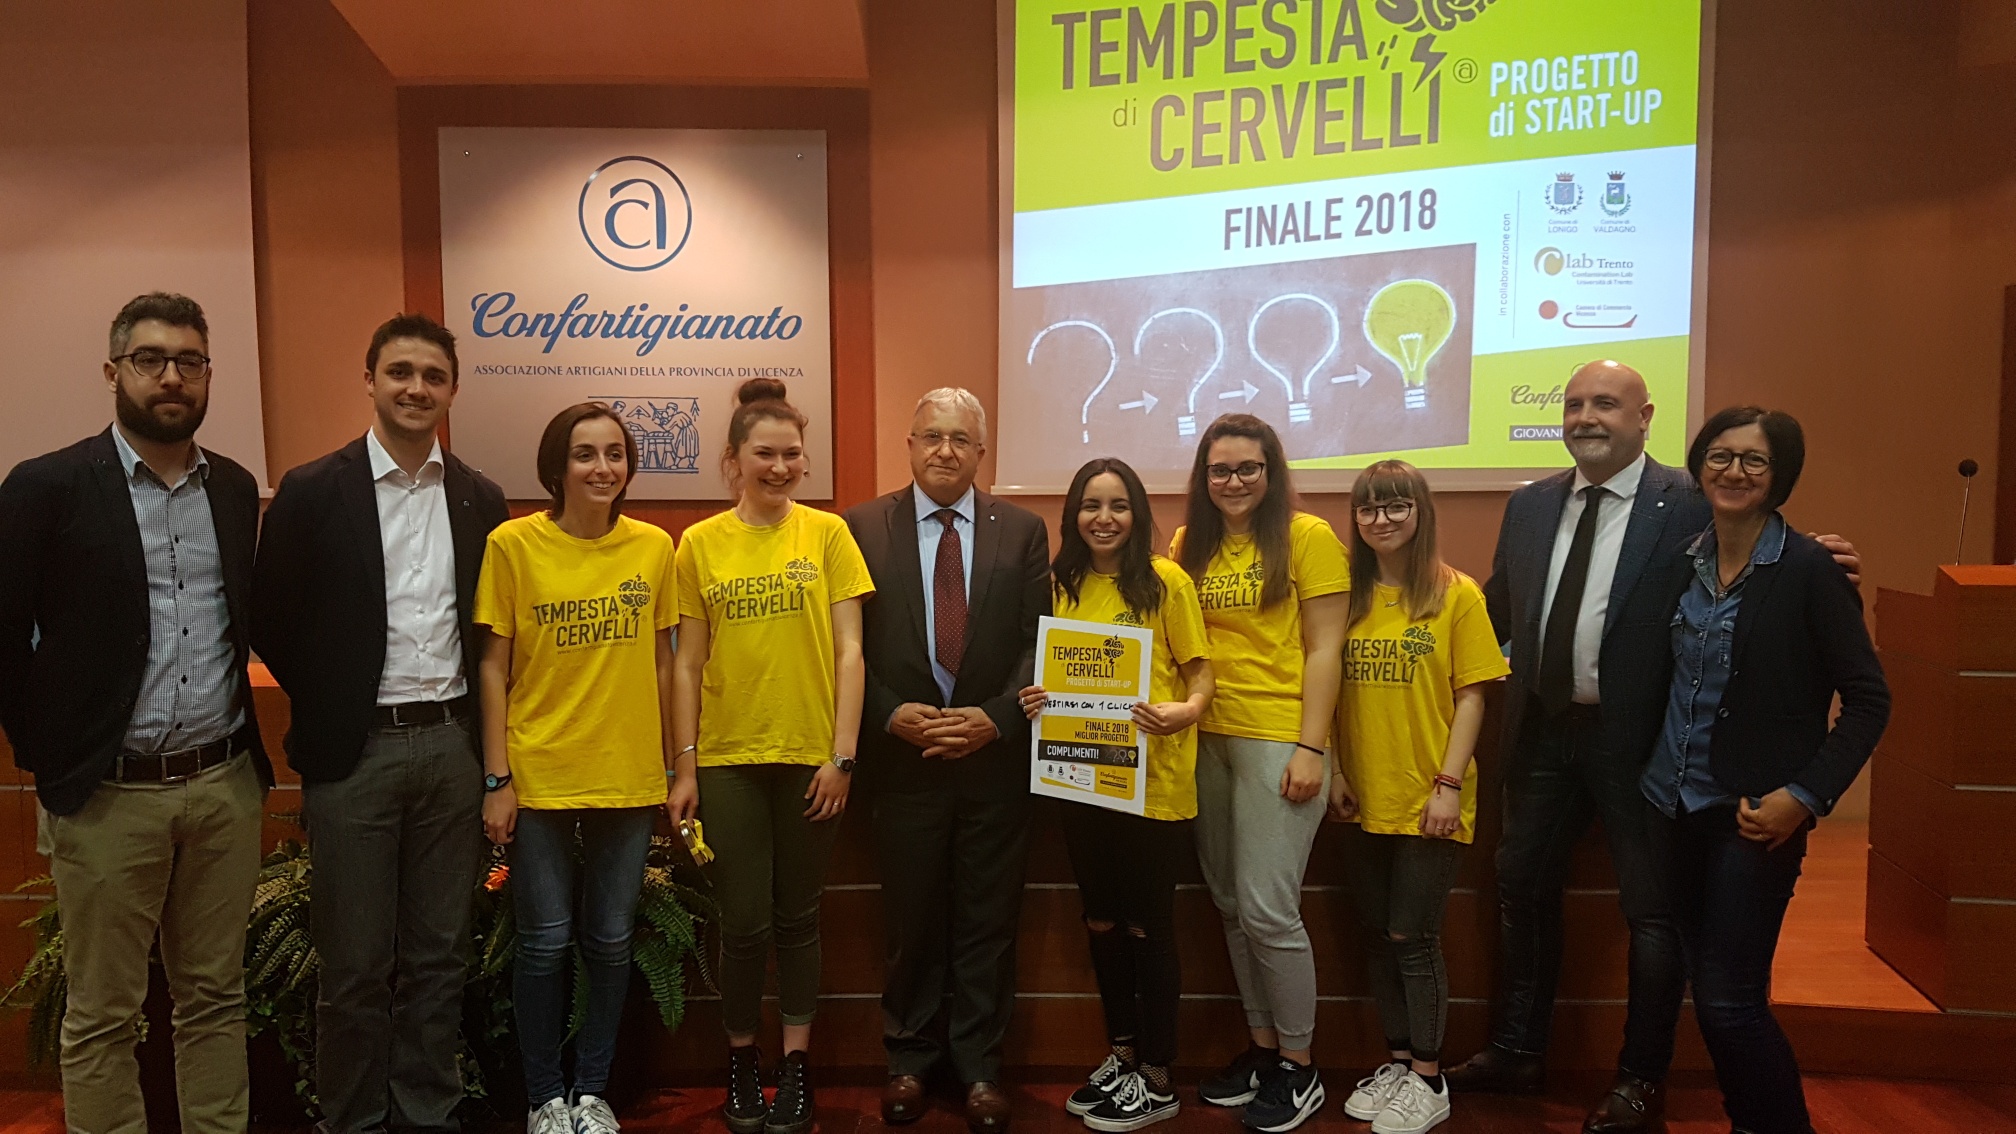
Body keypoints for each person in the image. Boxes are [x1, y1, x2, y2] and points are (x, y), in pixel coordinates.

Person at [1447, 360, 1861, 1134]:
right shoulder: (1530, 504)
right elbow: (1496, 609)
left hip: (1641, 746)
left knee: (1653, 914)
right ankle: (1516, 1049)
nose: (1586, 417)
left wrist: (1822, 555)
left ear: (1644, 418)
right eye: (1574, 404)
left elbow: (1760, 557)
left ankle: (1640, 1080)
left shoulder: (1690, 500)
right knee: (1520, 885)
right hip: (1541, 733)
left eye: (1605, 403)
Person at [0, 293, 272, 1133]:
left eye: (189, 361)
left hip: (223, 785)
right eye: (151, 359)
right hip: (107, 796)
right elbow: (5, 635)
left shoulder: (233, 488)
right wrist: (50, 757)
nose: (172, 377)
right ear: (113, 371)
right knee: (103, 1013)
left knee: (216, 999)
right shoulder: (46, 486)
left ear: (208, 375)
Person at [251, 313, 509, 1134]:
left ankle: (428, 1114)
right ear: (370, 381)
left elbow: (492, 630)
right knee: (355, 968)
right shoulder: (311, 490)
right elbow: (270, 617)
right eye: (400, 372)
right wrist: (333, 695)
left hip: (452, 749)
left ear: (453, 390)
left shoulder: (479, 497)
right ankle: (354, 1119)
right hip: (353, 754)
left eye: (433, 376)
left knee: (439, 960)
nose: (415, 388)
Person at [1635, 408, 1888, 1134]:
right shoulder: (1681, 560)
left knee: (1729, 1001)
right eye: (1720, 455)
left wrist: (1804, 796)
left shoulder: (1809, 570)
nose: (1734, 472)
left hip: (1754, 819)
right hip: (1670, 806)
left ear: (1780, 476)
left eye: (1754, 460)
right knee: (1712, 989)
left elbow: (1869, 700)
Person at [671, 378, 874, 1134]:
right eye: (765, 453)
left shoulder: (827, 535)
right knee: (743, 923)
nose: (781, 467)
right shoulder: (699, 544)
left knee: (798, 919)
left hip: (811, 760)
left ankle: (795, 1068)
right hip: (728, 761)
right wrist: (685, 766)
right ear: (733, 460)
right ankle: (740, 1062)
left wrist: (843, 757)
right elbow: (687, 663)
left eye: (792, 454)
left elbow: (851, 651)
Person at [473, 402, 682, 1134]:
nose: (603, 468)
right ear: (556, 467)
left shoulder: (653, 548)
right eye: (585, 454)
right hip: (538, 773)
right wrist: (497, 779)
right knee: (543, 943)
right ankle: (543, 1099)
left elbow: (666, 663)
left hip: (627, 774)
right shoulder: (512, 545)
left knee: (612, 941)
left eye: (615, 454)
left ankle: (591, 1093)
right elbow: (492, 668)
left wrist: (676, 767)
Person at [844, 389, 1049, 1133]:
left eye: (961, 439)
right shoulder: (859, 527)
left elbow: (1038, 638)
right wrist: (885, 713)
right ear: (908, 444)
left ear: (981, 453)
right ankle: (909, 1060)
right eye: (931, 435)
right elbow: (844, 644)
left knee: (988, 924)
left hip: (994, 766)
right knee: (911, 920)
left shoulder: (1022, 530)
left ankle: (981, 1069)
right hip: (902, 763)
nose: (944, 450)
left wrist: (997, 718)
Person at [1018, 457, 1213, 1134]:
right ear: (1073, 515)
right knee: (1101, 921)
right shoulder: (1056, 584)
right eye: (1091, 505)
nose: (1104, 518)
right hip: (1080, 781)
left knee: (1148, 927)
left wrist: (1186, 711)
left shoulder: (1166, 582)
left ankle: (1157, 1076)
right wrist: (1035, 697)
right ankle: (1123, 1054)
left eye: (1119, 505)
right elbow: (1043, 669)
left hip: (1154, 785)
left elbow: (1201, 676)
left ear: (1138, 515)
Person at [1170, 415, 1349, 1133]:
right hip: (1203, 737)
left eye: (1249, 467)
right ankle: (1264, 1048)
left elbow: (1326, 648)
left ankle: (1300, 1067)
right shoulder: (1187, 544)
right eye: (1220, 469)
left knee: (1269, 909)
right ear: (1203, 477)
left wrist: (1313, 747)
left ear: (1271, 472)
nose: (1234, 481)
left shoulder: (1307, 537)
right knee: (1230, 904)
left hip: (1279, 737)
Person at [1327, 461, 1508, 1134]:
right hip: (1360, 796)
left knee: (1413, 936)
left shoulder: (1457, 594)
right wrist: (1336, 771)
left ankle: (1429, 1079)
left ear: (1420, 512)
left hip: (1431, 798)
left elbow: (1473, 696)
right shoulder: (1346, 597)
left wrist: (1448, 785)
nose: (1381, 520)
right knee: (1378, 937)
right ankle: (1399, 1063)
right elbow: (1326, 690)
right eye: (1369, 509)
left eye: (1396, 506)